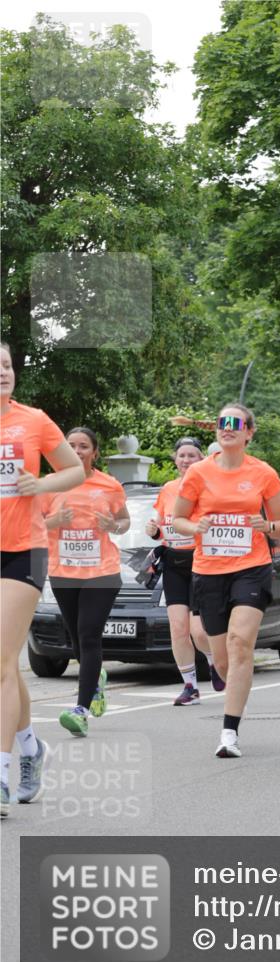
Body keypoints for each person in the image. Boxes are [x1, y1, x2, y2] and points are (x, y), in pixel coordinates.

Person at [172, 403, 280, 758]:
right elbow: (178, 520)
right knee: (221, 657)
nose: (228, 428)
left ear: (249, 432)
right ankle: (235, 691)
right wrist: (196, 527)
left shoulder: (264, 473)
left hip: (251, 567)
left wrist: (266, 527)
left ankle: (228, 732)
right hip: (208, 570)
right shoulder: (199, 473)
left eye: (236, 423)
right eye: (222, 423)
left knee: (241, 643)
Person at [1, 343, 84, 817]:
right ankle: (31, 746)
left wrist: (41, 486)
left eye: (7, 366)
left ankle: (3, 770)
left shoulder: (33, 420)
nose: (3, 374)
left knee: (0, 660)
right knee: (6, 664)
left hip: (23, 549)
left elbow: (72, 469)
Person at [43, 428, 130, 736]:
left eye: (83, 446)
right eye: (71, 446)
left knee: (88, 634)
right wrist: (55, 522)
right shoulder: (50, 484)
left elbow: (124, 521)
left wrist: (113, 525)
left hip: (102, 571)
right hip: (63, 571)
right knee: (77, 639)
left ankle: (80, 711)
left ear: (94, 452)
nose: (77, 451)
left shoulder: (109, 485)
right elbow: (33, 525)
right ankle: (96, 681)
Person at [145, 437, 219, 706]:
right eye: (182, 455)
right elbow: (161, 525)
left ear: (202, 460)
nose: (186, 460)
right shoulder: (168, 489)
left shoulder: (209, 488)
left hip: (201, 561)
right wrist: (154, 531)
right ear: (175, 459)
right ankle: (190, 687)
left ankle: (214, 663)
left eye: (192, 455)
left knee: (199, 632)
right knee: (178, 629)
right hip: (174, 563)